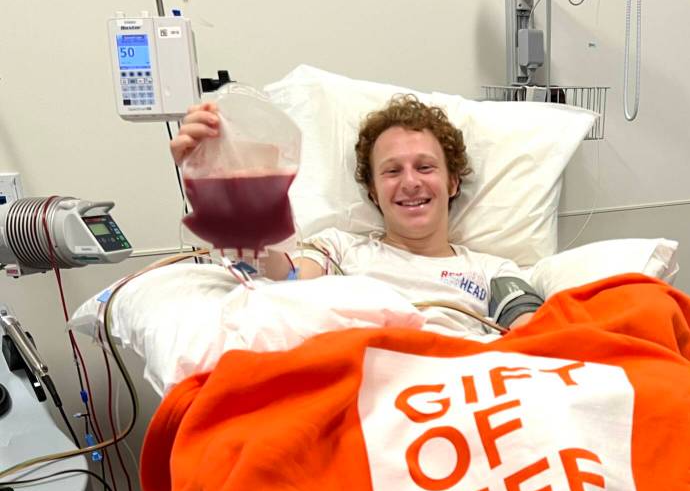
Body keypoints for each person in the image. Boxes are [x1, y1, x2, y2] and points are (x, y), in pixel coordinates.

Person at [171, 94, 543, 334]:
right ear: (373, 192)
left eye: (425, 167)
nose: (410, 182)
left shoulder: (493, 271)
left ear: (453, 182)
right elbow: (283, 279)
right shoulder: (339, 250)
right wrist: (221, 184)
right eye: (392, 171)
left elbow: (536, 336)